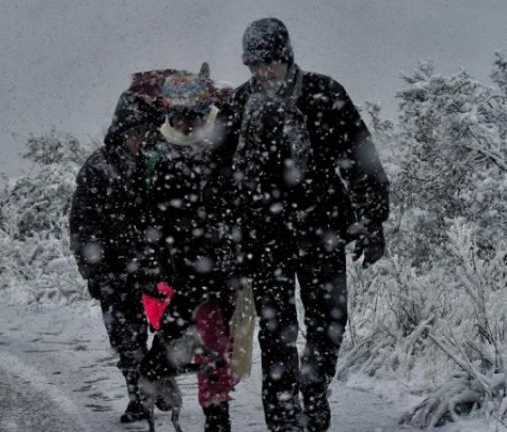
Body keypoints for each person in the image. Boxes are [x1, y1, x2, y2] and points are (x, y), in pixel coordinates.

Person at [223, 18, 390, 432]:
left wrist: (372, 218)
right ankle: (283, 420)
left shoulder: (323, 94)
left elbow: (360, 157)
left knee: (329, 324)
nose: (263, 73)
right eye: (254, 66)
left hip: (322, 230)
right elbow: (222, 179)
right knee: (277, 336)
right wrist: (228, 237)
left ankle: (314, 386)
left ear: (287, 56)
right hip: (265, 240)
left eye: (270, 63)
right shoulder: (240, 105)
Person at [136, 66, 239, 432]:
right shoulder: (157, 156)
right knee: (177, 340)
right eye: (177, 115)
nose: (184, 123)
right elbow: (149, 214)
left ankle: (216, 417)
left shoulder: (221, 150)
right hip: (177, 268)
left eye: (191, 115)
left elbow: (233, 204)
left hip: (216, 267)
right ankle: (157, 381)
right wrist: (153, 260)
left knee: (212, 343)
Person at [68, 90, 173, 423]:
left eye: (148, 132)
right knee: (126, 338)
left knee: (165, 332)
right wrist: (94, 269)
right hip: (113, 271)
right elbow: (83, 224)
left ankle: (158, 382)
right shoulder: (98, 167)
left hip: (154, 269)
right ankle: (139, 396)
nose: (143, 138)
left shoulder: (158, 164)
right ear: (125, 129)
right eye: (138, 131)